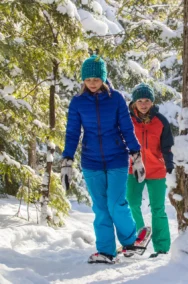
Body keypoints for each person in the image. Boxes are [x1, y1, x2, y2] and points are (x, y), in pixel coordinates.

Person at [60, 54, 146, 264]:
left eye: (96, 80)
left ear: (103, 78)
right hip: (91, 162)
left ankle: (130, 242)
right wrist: (67, 160)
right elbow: (73, 133)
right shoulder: (78, 102)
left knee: (116, 203)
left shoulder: (116, 98)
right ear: (83, 80)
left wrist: (136, 155)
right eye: (88, 80)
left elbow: (126, 128)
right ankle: (106, 251)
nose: (92, 84)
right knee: (100, 207)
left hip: (116, 158)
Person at [126, 83, 174, 258]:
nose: (144, 104)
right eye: (140, 100)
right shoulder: (127, 119)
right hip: (133, 169)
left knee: (158, 208)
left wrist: (168, 162)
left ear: (152, 102)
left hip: (156, 169)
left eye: (147, 100)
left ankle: (161, 247)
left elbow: (167, 145)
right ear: (134, 102)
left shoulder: (160, 121)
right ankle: (138, 238)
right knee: (131, 202)